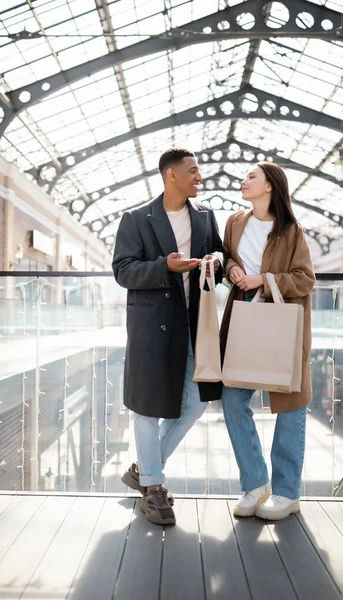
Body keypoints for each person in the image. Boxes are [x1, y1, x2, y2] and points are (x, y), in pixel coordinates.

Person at [112, 148, 224, 526]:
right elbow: (123, 271)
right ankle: (154, 489)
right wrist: (165, 267)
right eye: (193, 171)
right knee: (146, 407)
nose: (200, 177)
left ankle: (144, 469)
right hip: (152, 326)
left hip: (195, 324)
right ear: (171, 175)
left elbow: (219, 254)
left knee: (195, 402)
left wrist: (215, 263)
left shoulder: (206, 216)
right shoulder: (135, 218)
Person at [219, 162, 315, 521]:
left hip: (282, 322)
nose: (243, 181)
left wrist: (265, 278)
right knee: (232, 397)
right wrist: (233, 270)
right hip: (243, 317)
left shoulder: (292, 231)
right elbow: (227, 255)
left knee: (291, 404)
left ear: (270, 186)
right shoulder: (235, 222)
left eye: (251, 177)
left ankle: (288, 493)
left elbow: (306, 279)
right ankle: (256, 483)